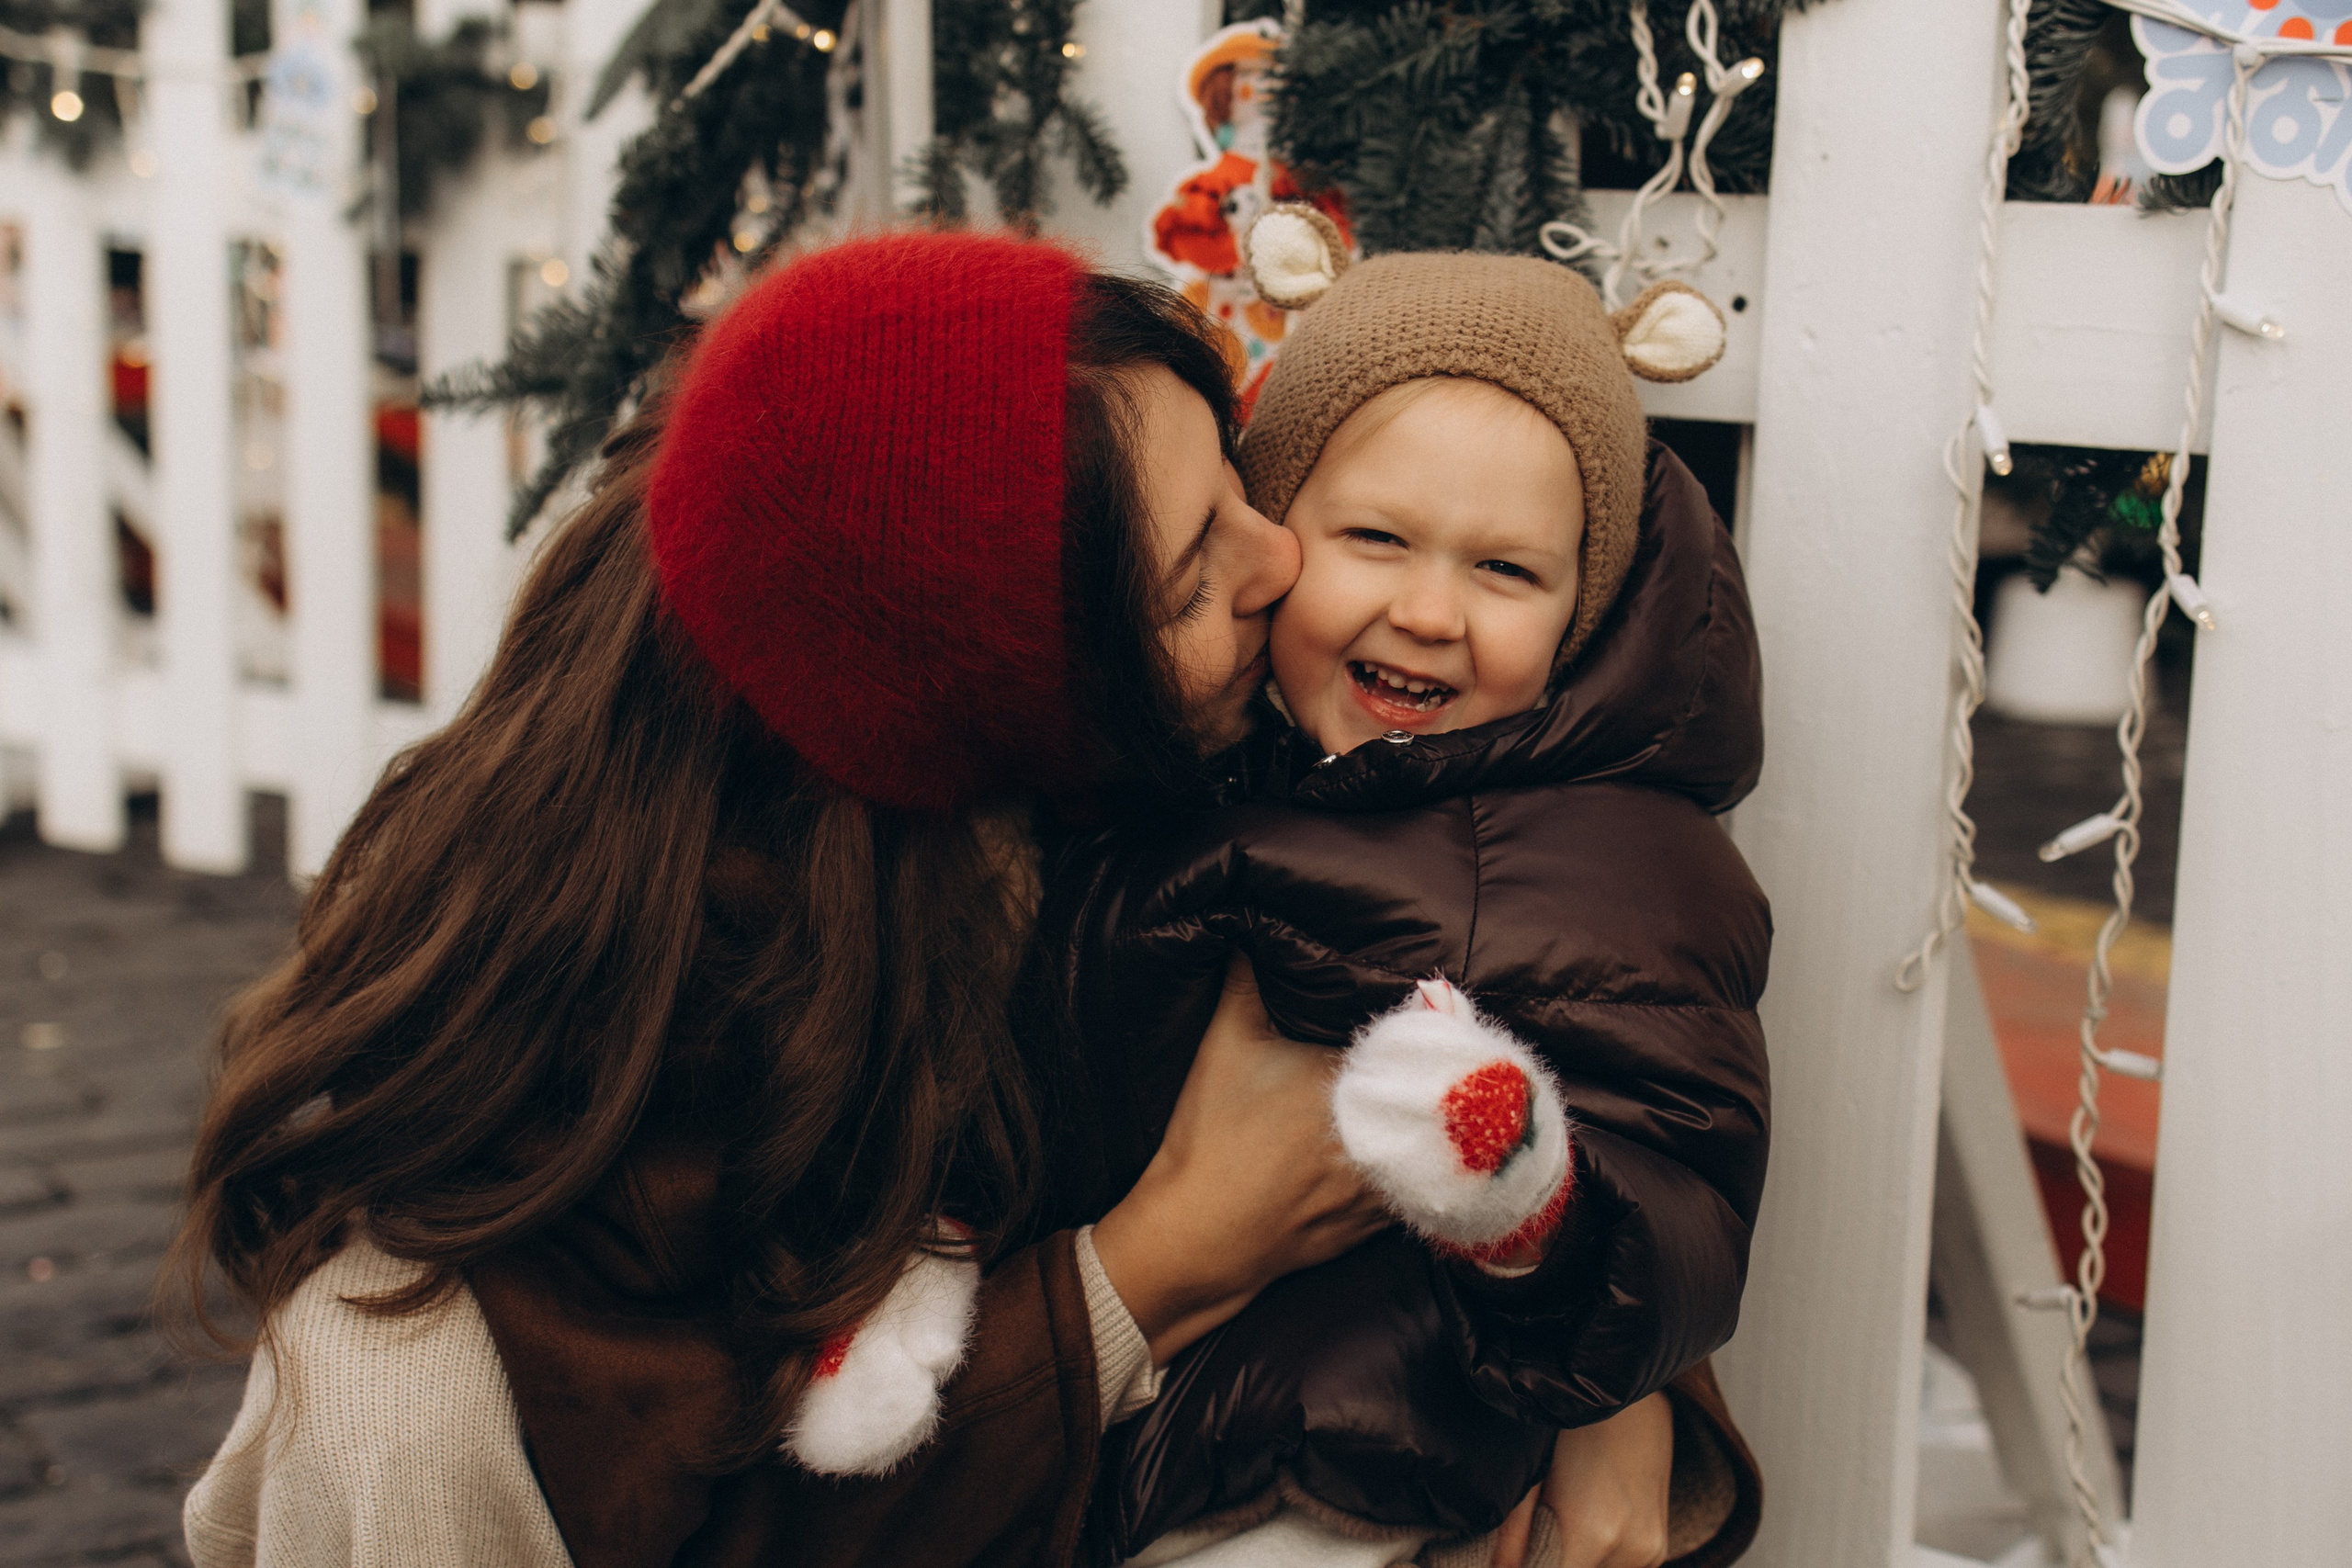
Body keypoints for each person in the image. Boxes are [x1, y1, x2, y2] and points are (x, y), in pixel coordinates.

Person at [171, 231, 1391, 1568]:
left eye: (1236, 484)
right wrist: (1153, 1271)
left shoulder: (1052, 801)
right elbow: (710, 1526)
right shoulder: (648, 1073)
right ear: (994, 703)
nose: (1285, 561)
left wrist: (1619, 1390)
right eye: (1193, 579)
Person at [1035, 220, 1770, 1566]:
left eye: (1506, 571)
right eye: (1377, 538)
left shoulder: (1612, 868)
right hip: (1155, 1421)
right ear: (1274, 534)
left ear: (1582, 620)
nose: (1432, 612)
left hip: (1362, 1471)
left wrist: (1534, 1217)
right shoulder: (1216, 767)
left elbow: (1685, 1183)